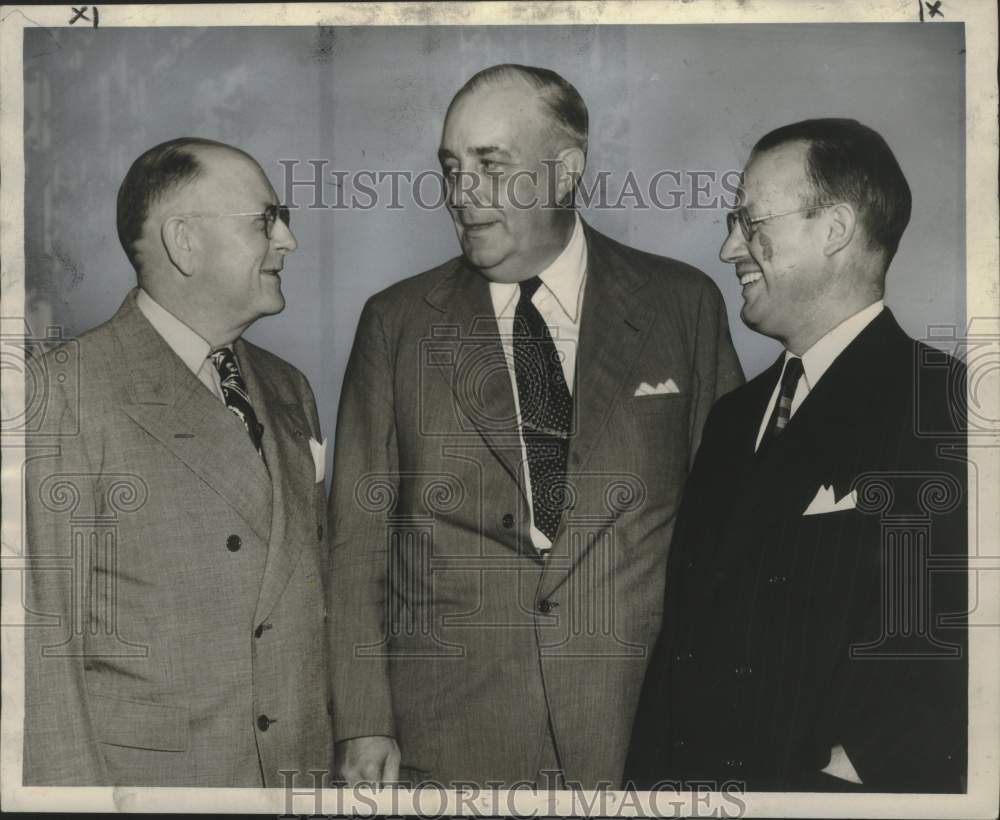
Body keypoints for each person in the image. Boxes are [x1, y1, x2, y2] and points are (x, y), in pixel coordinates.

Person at [327, 64, 743, 790]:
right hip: (451, 737)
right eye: (451, 170)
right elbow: (357, 541)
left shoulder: (684, 306)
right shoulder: (395, 325)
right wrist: (364, 720)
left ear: (565, 171)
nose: (462, 195)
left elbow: (733, 528)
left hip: (640, 729)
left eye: (491, 166)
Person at [626, 119, 967, 792]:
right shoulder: (731, 419)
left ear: (834, 230)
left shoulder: (947, 407)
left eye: (751, 223)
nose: (729, 249)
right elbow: (683, 641)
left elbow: (954, 644)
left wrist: (852, 774)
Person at [23, 137, 332, 786]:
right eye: (264, 221)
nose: (287, 243)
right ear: (184, 241)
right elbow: (40, 668)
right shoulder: (62, 395)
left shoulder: (290, 388)